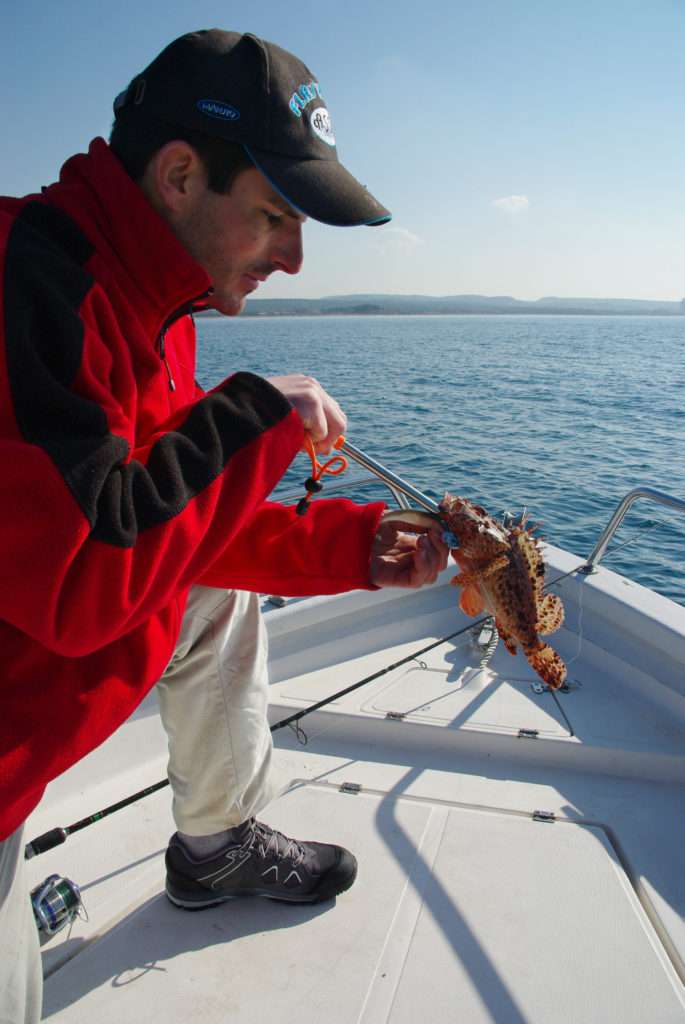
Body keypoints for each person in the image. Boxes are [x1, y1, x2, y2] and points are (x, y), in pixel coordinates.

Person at [0, 29, 447, 1023]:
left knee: (215, 588)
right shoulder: (26, 286)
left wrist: (352, 546)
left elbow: (175, 518)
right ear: (178, 176)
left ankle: (216, 843)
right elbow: (82, 581)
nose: (294, 257)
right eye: (275, 216)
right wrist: (252, 413)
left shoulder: (148, 299)